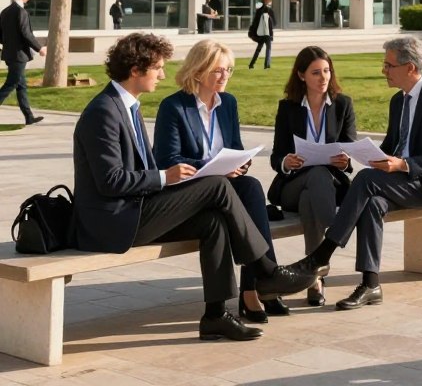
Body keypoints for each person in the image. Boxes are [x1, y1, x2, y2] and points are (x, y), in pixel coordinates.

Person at [71, 33, 318, 342]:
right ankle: (267, 272)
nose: (162, 74)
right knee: (216, 186)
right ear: (135, 70)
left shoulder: (127, 107)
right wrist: (165, 177)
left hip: (134, 209)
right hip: (112, 222)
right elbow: (110, 182)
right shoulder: (103, 112)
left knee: (213, 222)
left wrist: (165, 178)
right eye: (157, 68)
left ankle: (216, 316)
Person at [284, 36, 422, 311]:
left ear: (410, 68)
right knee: (371, 201)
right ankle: (371, 284)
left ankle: (322, 254)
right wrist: (368, 155)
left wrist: (402, 165)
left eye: (389, 65)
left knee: (367, 181)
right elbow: (392, 146)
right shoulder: (398, 101)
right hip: (403, 182)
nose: (384, 71)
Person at [154, 39, 289, 323]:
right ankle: (264, 280)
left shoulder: (228, 102)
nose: (224, 76)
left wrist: (242, 160)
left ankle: (253, 287)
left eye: (228, 70)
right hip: (190, 191)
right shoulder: (174, 107)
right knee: (241, 197)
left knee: (250, 186)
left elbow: (235, 146)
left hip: (224, 185)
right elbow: (168, 160)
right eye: (218, 70)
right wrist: (212, 168)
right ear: (198, 71)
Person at [269, 46, 357, 306]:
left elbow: (349, 148)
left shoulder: (343, 104)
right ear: (301, 75)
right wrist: (287, 161)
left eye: (327, 71)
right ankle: (334, 228)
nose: (323, 78)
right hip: (292, 186)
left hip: (326, 187)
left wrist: (344, 162)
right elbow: (276, 156)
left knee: (312, 199)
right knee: (315, 176)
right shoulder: (288, 108)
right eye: (316, 72)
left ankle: (314, 277)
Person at [0, 0, 46, 126]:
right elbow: (26, 34)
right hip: (18, 56)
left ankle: (29, 117)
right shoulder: (21, 12)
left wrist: (8, 45)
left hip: (10, 54)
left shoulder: (5, 11)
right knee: (11, 84)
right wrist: (40, 48)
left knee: (21, 86)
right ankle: (29, 116)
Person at [247, 0, 275, 69]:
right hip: (267, 33)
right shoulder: (270, 11)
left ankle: (251, 64)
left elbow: (255, 22)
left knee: (258, 49)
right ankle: (267, 64)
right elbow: (273, 22)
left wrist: (254, 33)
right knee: (268, 48)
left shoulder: (259, 10)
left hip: (260, 33)